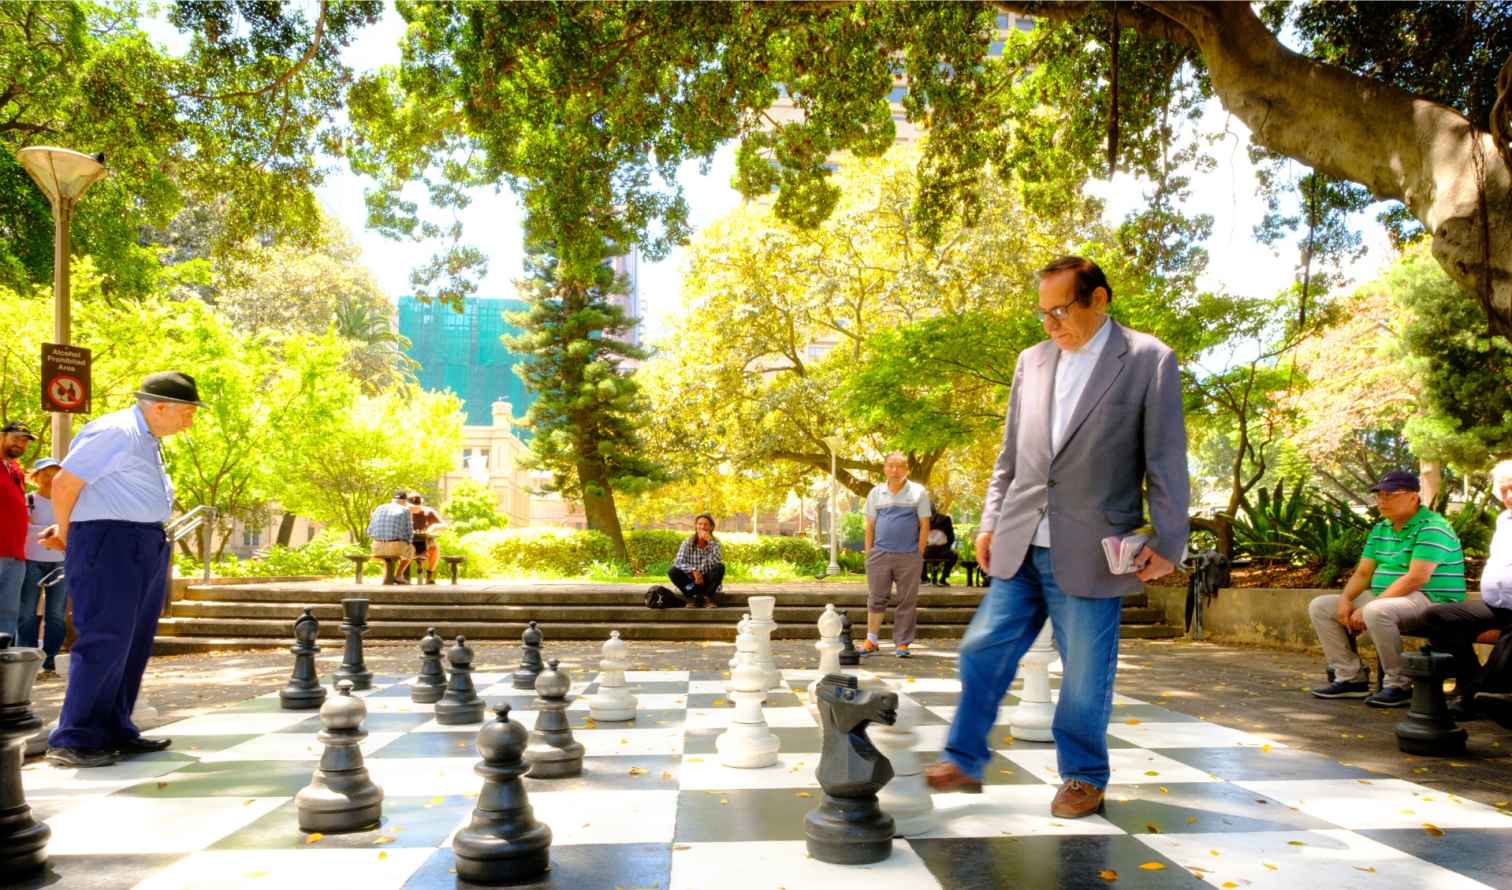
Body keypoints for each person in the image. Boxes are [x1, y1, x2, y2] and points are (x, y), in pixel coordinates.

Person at [924, 256, 1189, 820]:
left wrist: (1170, 542)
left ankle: (1084, 775)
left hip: (1093, 546)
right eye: (1042, 313)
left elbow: (1165, 458)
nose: (1050, 325)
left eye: (1061, 311)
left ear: (1099, 299)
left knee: (1086, 675)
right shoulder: (1032, 360)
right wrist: (991, 520)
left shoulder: (1148, 359)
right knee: (981, 649)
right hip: (1021, 538)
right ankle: (965, 760)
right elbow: (1011, 455)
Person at [39, 372, 203, 768]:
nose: (189, 423)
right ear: (159, 407)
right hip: (110, 540)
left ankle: (114, 727)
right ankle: (74, 737)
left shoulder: (146, 439)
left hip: (143, 541)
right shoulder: (117, 431)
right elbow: (64, 484)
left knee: (134, 640)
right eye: (187, 413)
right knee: (105, 636)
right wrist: (67, 532)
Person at [1307, 469, 1466, 707]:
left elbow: (1416, 578)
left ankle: (1399, 684)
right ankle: (1350, 677)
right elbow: (1363, 573)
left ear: (1413, 497)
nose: (1382, 501)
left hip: (1432, 600)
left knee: (1376, 610)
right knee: (1321, 606)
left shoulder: (1433, 526)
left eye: (1390, 495)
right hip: (1391, 599)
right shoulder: (1381, 528)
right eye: (1379, 495)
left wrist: (1371, 604)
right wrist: (1346, 600)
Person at [1420, 459, 1512, 719]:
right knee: (1436, 617)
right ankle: (1472, 683)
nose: (1509, 496)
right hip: (1497, 605)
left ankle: (1478, 695)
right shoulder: (1504, 520)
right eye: (1504, 490)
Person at [861, 452, 930, 658]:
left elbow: (925, 524)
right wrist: (869, 552)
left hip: (909, 556)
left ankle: (902, 643)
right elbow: (869, 525)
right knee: (876, 598)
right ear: (884, 468)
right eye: (890, 465)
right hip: (879, 555)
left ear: (906, 469)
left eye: (899, 466)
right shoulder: (875, 493)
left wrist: (919, 553)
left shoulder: (918, 492)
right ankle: (871, 640)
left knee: (907, 601)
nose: (895, 470)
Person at [19, 457, 68, 677]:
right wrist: (50, 529)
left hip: (60, 562)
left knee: (56, 615)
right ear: (36, 477)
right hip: (31, 561)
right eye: (45, 474)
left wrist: (42, 529)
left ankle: (49, 662)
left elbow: (69, 529)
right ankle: (29, 660)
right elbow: (23, 528)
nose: (50, 479)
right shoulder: (28, 500)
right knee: (27, 613)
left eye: (55, 474)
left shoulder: (66, 501)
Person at [1, 420, 38, 642]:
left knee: (8, 614)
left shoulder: (16, 470)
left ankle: (3, 659)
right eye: (16, 438)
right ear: (2, 436)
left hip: (16, 553)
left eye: (25, 441)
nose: (20, 444)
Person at [670, 513, 724, 608]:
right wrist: (694, 571)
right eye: (700, 524)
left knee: (720, 567)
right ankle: (693, 597)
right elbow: (678, 562)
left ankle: (707, 598)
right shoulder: (687, 542)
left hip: (708, 584)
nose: (702, 527)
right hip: (691, 585)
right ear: (696, 526)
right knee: (673, 571)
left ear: (711, 527)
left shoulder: (715, 543)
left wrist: (710, 542)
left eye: (706, 524)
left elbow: (716, 560)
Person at [368, 491, 415, 584]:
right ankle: (398, 575)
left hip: (376, 547)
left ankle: (387, 577)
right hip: (394, 547)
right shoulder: (405, 510)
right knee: (411, 549)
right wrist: (407, 542)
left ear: (393, 500)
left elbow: (369, 531)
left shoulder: (379, 508)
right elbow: (409, 533)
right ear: (405, 501)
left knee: (389, 552)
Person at [408, 492, 445, 584]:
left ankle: (430, 574)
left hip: (426, 540)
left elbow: (444, 525)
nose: (414, 509)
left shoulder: (428, 512)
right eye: (412, 507)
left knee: (434, 549)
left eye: (417, 507)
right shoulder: (404, 512)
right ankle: (401, 575)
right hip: (409, 540)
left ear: (421, 504)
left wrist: (434, 527)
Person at [922, 507, 957, 587]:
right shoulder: (946, 519)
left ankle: (924, 578)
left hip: (926, 552)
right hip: (943, 552)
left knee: (917, 554)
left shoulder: (921, 520)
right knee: (954, 555)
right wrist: (946, 547)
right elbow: (951, 537)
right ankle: (943, 579)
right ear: (935, 510)